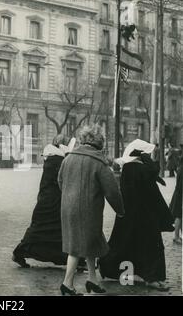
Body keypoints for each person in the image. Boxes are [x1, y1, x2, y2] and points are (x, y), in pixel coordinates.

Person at [99, 139, 175, 291]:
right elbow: (153, 173)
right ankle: (152, 277)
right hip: (145, 215)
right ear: (141, 154)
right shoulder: (138, 168)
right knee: (150, 247)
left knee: (126, 244)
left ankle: (108, 266)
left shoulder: (129, 167)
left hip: (132, 215)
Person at [58, 125, 124, 296]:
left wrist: (70, 197)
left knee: (90, 242)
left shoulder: (68, 158)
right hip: (88, 211)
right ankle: (67, 284)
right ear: (99, 142)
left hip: (68, 208)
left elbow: (60, 181)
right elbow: (112, 191)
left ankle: (92, 280)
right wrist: (120, 210)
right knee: (77, 247)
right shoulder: (99, 163)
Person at [12, 135, 76, 268]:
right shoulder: (59, 160)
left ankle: (20, 252)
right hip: (53, 202)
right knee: (56, 232)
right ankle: (72, 259)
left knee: (39, 231)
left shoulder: (52, 158)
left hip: (47, 201)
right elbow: (63, 181)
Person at [169, 156, 183, 245]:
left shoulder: (180, 169)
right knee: (179, 216)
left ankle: (178, 236)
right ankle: (176, 236)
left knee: (180, 216)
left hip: (178, 194)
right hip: (180, 195)